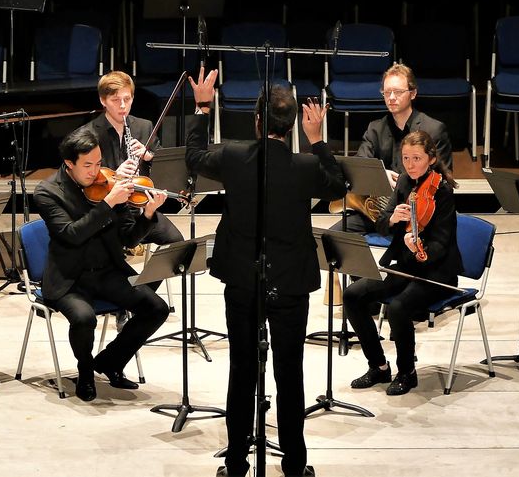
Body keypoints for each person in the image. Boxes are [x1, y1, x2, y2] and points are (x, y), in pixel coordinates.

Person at [186, 70, 345, 477]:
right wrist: (318, 139)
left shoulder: (234, 156)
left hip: (243, 279)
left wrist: (203, 107)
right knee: (289, 373)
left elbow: (194, 157)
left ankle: (237, 464)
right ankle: (294, 466)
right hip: (290, 281)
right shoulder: (306, 165)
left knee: (242, 370)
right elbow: (338, 185)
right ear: (291, 125)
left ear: (257, 122)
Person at [32, 127, 171, 402]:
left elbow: (129, 239)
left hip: (107, 271)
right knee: (84, 318)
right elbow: (71, 234)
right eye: (88, 165)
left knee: (156, 308)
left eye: (98, 163)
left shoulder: (110, 184)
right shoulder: (47, 192)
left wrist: (148, 214)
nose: (96, 172)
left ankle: (110, 361)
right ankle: (84, 370)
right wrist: (107, 204)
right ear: (69, 163)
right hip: (69, 279)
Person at [343, 130, 462, 396]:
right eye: (406, 158)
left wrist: (421, 249)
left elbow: (442, 244)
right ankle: (378, 366)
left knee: (397, 308)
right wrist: (393, 219)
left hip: (436, 273)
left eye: (416, 158)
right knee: (352, 295)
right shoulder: (404, 183)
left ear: (431, 159)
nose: (410, 164)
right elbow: (382, 225)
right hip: (405, 266)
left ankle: (407, 372)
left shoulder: (442, 193)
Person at [332, 63, 452, 235]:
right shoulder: (375, 129)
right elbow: (359, 168)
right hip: (379, 214)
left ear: (413, 93)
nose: (392, 97)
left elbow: (443, 182)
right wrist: (381, 175)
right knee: (331, 239)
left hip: (416, 216)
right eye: (387, 92)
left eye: (398, 92)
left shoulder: (434, 130)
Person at [77, 70, 184, 249]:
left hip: (140, 203)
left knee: (176, 243)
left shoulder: (144, 126)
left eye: (127, 99)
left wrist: (148, 155)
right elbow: (81, 178)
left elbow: (164, 166)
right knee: (108, 249)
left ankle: (148, 279)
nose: (122, 106)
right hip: (108, 208)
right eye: (115, 100)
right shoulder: (89, 133)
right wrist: (113, 176)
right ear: (103, 101)